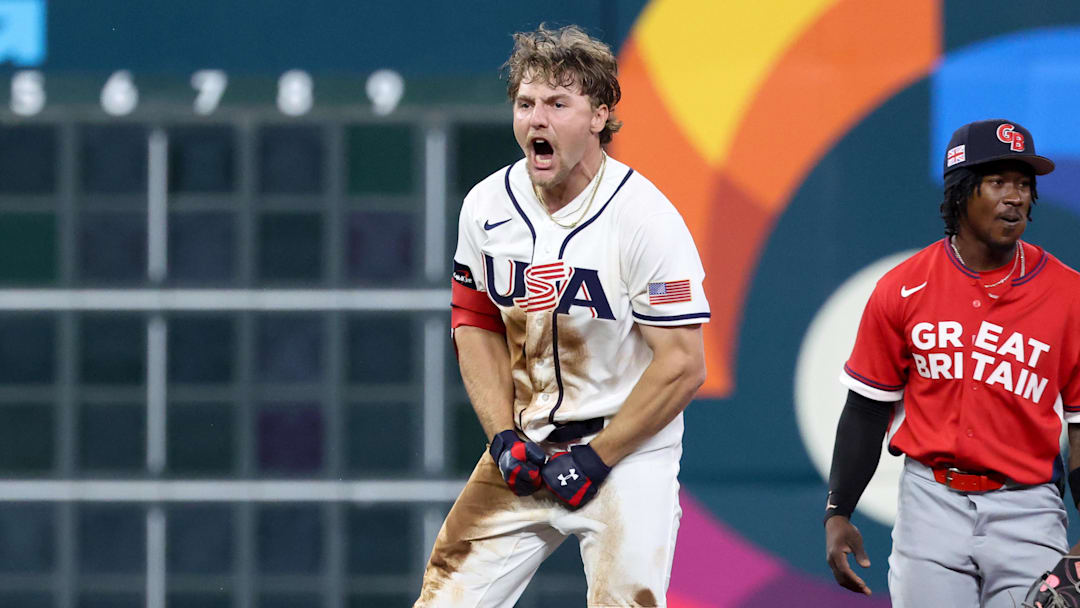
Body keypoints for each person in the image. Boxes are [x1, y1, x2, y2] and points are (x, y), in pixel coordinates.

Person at [414, 24, 710, 607]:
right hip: (527, 442)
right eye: (526, 103)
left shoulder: (644, 219)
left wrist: (598, 457)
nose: (537, 120)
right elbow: (473, 323)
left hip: (624, 453)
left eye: (558, 102)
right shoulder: (487, 206)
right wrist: (502, 436)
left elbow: (682, 364)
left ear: (600, 115)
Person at [824, 118, 1080, 607]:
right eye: (999, 182)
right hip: (932, 504)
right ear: (962, 191)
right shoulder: (903, 288)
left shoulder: (1070, 296)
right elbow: (867, 408)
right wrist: (838, 512)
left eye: (1024, 184)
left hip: (1028, 507)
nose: (1016, 197)